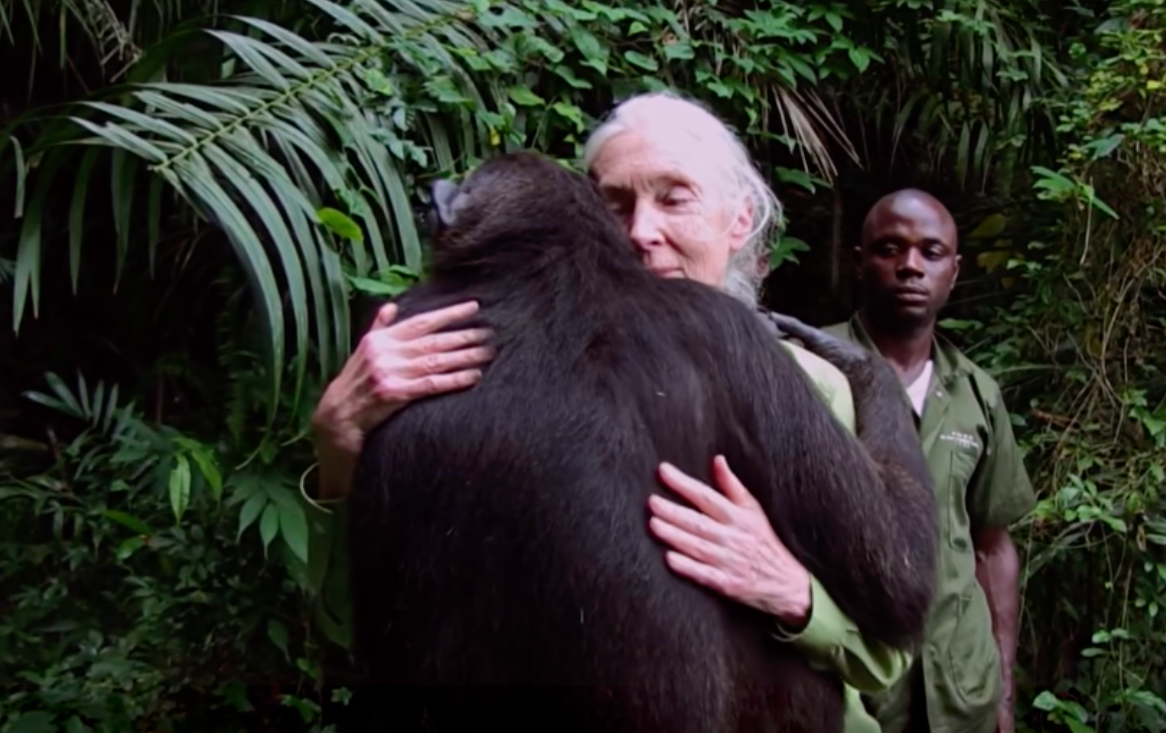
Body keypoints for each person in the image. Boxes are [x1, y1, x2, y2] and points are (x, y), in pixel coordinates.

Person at [301, 91, 910, 732]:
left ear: (738, 222)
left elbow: (889, 652)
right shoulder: (458, 366)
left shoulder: (810, 383)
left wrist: (793, 594)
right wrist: (340, 443)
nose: (642, 233)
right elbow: (359, 624)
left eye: (674, 198)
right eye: (613, 204)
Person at [823, 189, 1035, 733]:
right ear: (859, 263)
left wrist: (1003, 691)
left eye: (930, 252)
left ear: (953, 271)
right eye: (890, 248)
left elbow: (992, 544)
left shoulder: (975, 394)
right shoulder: (808, 371)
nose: (910, 266)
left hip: (962, 692)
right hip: (849, 692)